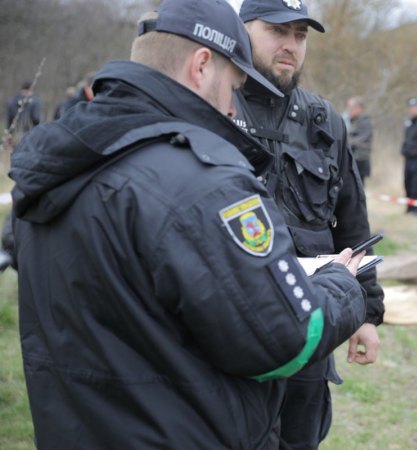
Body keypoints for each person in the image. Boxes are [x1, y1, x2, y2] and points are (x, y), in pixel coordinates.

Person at [9, 0, 369, 448]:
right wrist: (343, 285)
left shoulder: (55, 167)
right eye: (233, 86)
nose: (232, 108)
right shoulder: (199, 180)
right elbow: (284, 337)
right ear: (201, 66)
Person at [233, 1, 385, 448]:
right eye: (277, 31)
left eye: (300, 35)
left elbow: (353, 222)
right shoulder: (214, 107)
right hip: (233, 325)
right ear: (241, 31)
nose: (291, 45)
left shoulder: (323, 121)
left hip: (312, 323)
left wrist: (366, 313)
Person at [346, 95, 373, 184]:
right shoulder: (353, 121)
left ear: (359, 108)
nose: (349, 110)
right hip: (352, 159)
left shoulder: (365, 123)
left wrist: (347, 142)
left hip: (360, 160)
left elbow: (361, 140)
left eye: (351, 108)